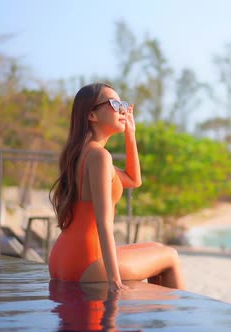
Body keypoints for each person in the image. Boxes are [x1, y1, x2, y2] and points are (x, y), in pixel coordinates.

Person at [48, 83, 185, 291]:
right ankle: (184, 322)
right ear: (92, 115)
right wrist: (115, 280)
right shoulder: (99, 156)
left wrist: (131, 133)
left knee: (157, 248)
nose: (122, 109)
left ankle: (162, 316)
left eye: (122, 103)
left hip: (63, 257)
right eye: (113, 103)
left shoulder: (82, 153)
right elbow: (104, 222)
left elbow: (133, 180)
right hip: (87, 263)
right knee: (170, 255)